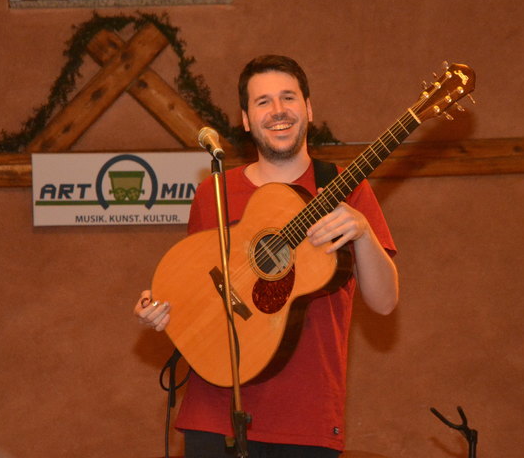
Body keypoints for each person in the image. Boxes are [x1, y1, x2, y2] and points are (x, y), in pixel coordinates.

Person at [134, 55, 398, 457]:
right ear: (245, 118)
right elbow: (199, 288)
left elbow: (384, 302)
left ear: (308, 108)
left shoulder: (345, 190)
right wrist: (160, 308)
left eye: (288, 97)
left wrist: (362, 232)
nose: (277, 111)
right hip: (213, 412)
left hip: (306, 418)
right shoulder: (214, 193)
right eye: (263, 102)